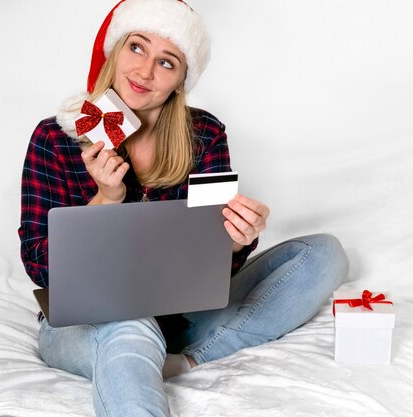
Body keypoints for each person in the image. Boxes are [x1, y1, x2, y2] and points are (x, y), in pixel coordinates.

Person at [18, 1, 349, 416]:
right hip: (88, 323)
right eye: (136, 48)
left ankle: (184, 360)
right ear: (114, 50)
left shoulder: (205, 133)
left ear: (180, 79)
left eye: (166, 62)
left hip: (181, 316)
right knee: (129, 325)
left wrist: (233, 241)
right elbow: (40, 265)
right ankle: (141, 354)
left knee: (323, 254)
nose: (144, 72)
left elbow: (211, 270)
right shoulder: (56, 136)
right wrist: (105, 199)